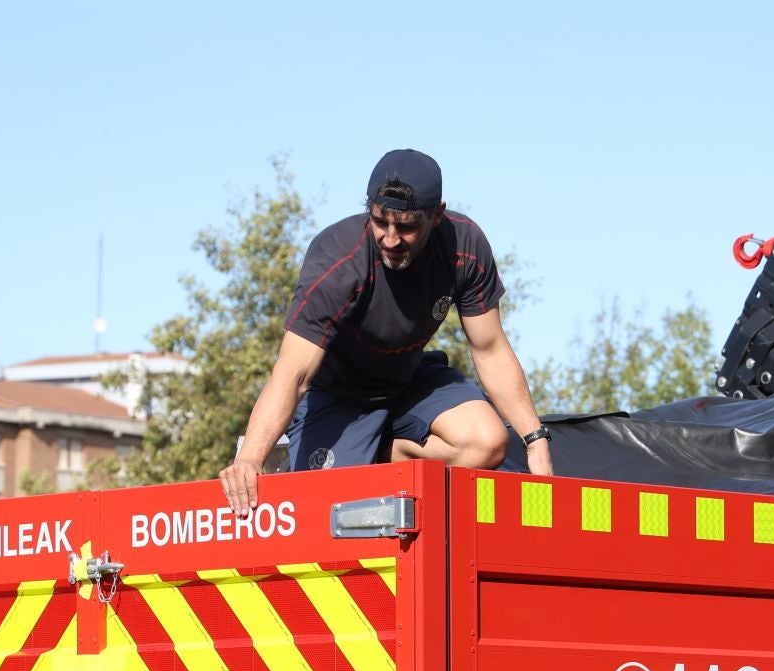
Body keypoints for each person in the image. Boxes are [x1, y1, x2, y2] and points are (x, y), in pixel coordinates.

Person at [220, 147, 553, 517]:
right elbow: (293, 371)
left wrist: (535, 440)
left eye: (407, 226)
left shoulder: (464, 247)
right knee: (322, 512)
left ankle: (385, 451)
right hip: (339, 396)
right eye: (380, 222)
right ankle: (360, 454)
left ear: (437, 215)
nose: (391, 239)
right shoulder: (337, 261)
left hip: (409, 382)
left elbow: (490, 348)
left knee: (488, 441)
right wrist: (250, 458)